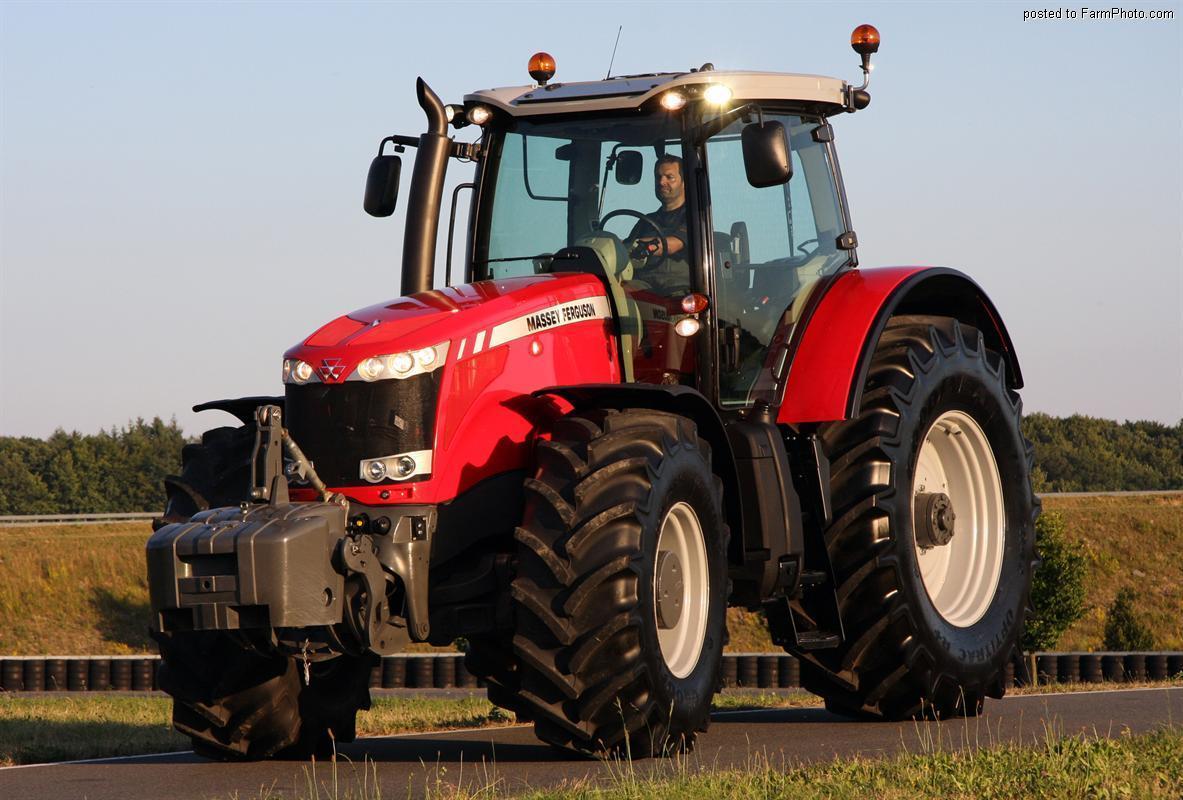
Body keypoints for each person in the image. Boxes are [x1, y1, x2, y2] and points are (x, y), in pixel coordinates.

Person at [628, 154, 690, 293]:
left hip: (676, 290)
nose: (661, 182)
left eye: (669, 177)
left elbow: (672, 244)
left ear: (684, 182)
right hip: (643, 288)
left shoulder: (693, 218)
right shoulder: (646, 221)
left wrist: (638, 246)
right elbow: (626, 250)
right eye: (658, 177)